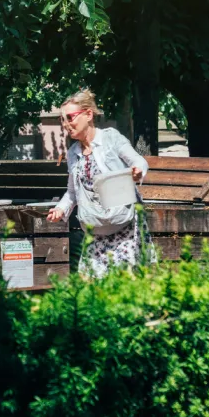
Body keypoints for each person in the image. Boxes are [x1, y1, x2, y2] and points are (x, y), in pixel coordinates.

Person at [46, 89, 155, 277]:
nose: (65, 124)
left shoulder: (110, 138)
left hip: (124, 226)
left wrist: (137, 172)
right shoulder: (73, 153)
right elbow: (72, 192)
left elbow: (139, 161)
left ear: (88, 114)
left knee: (123, 282)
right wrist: (60, 209)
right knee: (92, 285)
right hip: (96, 227)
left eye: (70, 117)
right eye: (62, 120)